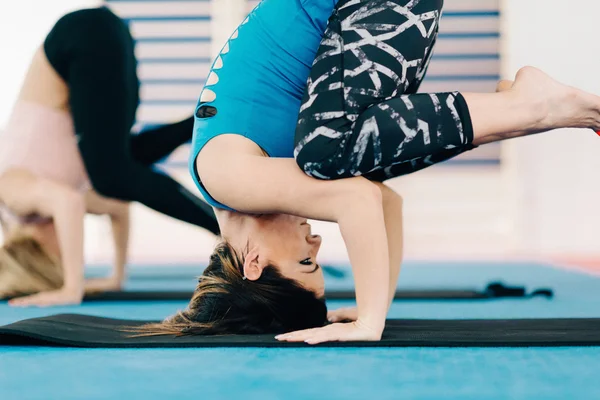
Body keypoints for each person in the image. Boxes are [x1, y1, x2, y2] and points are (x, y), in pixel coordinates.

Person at [140, 0, 600, 343]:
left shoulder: (229, 181)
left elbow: (358, 201)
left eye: (306, 262)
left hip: (371, 11)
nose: (316, 243)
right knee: (361, 159)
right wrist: (368, 301)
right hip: (375, 16)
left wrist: (370, 322)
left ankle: (526, 106)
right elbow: (381, 199)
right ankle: (521, 110)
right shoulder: (244, 179)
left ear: (253, 264)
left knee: (327, 156)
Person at [0, 7, 220, 307]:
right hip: (105, 38)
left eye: (61, 258)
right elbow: (118, 208)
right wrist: (117, 275)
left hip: (79, 38)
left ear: (36, 249)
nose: (71, 251)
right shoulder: (54, 197)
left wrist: (71, 288)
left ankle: (220, 227)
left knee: (110, 175)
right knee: (122, 165)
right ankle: (205, 118)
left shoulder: (15, 198)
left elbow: (70, 203)